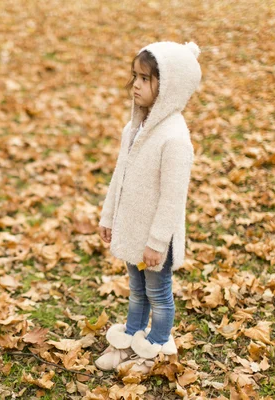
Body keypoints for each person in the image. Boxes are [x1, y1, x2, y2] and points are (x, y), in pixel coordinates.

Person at [95, 41, 201, 373]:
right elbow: (119, 176)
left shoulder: (175, 139)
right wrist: (108, 216)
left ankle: (155, 346)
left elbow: (173, 199)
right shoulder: (134, 129)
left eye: (146, 79)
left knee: (158, 294)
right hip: (131, 231)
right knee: (137, 292)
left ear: (169, 87)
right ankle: (130, 339)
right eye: (135, 77)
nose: (136, 86)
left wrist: (157, 242)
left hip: (155, 240)